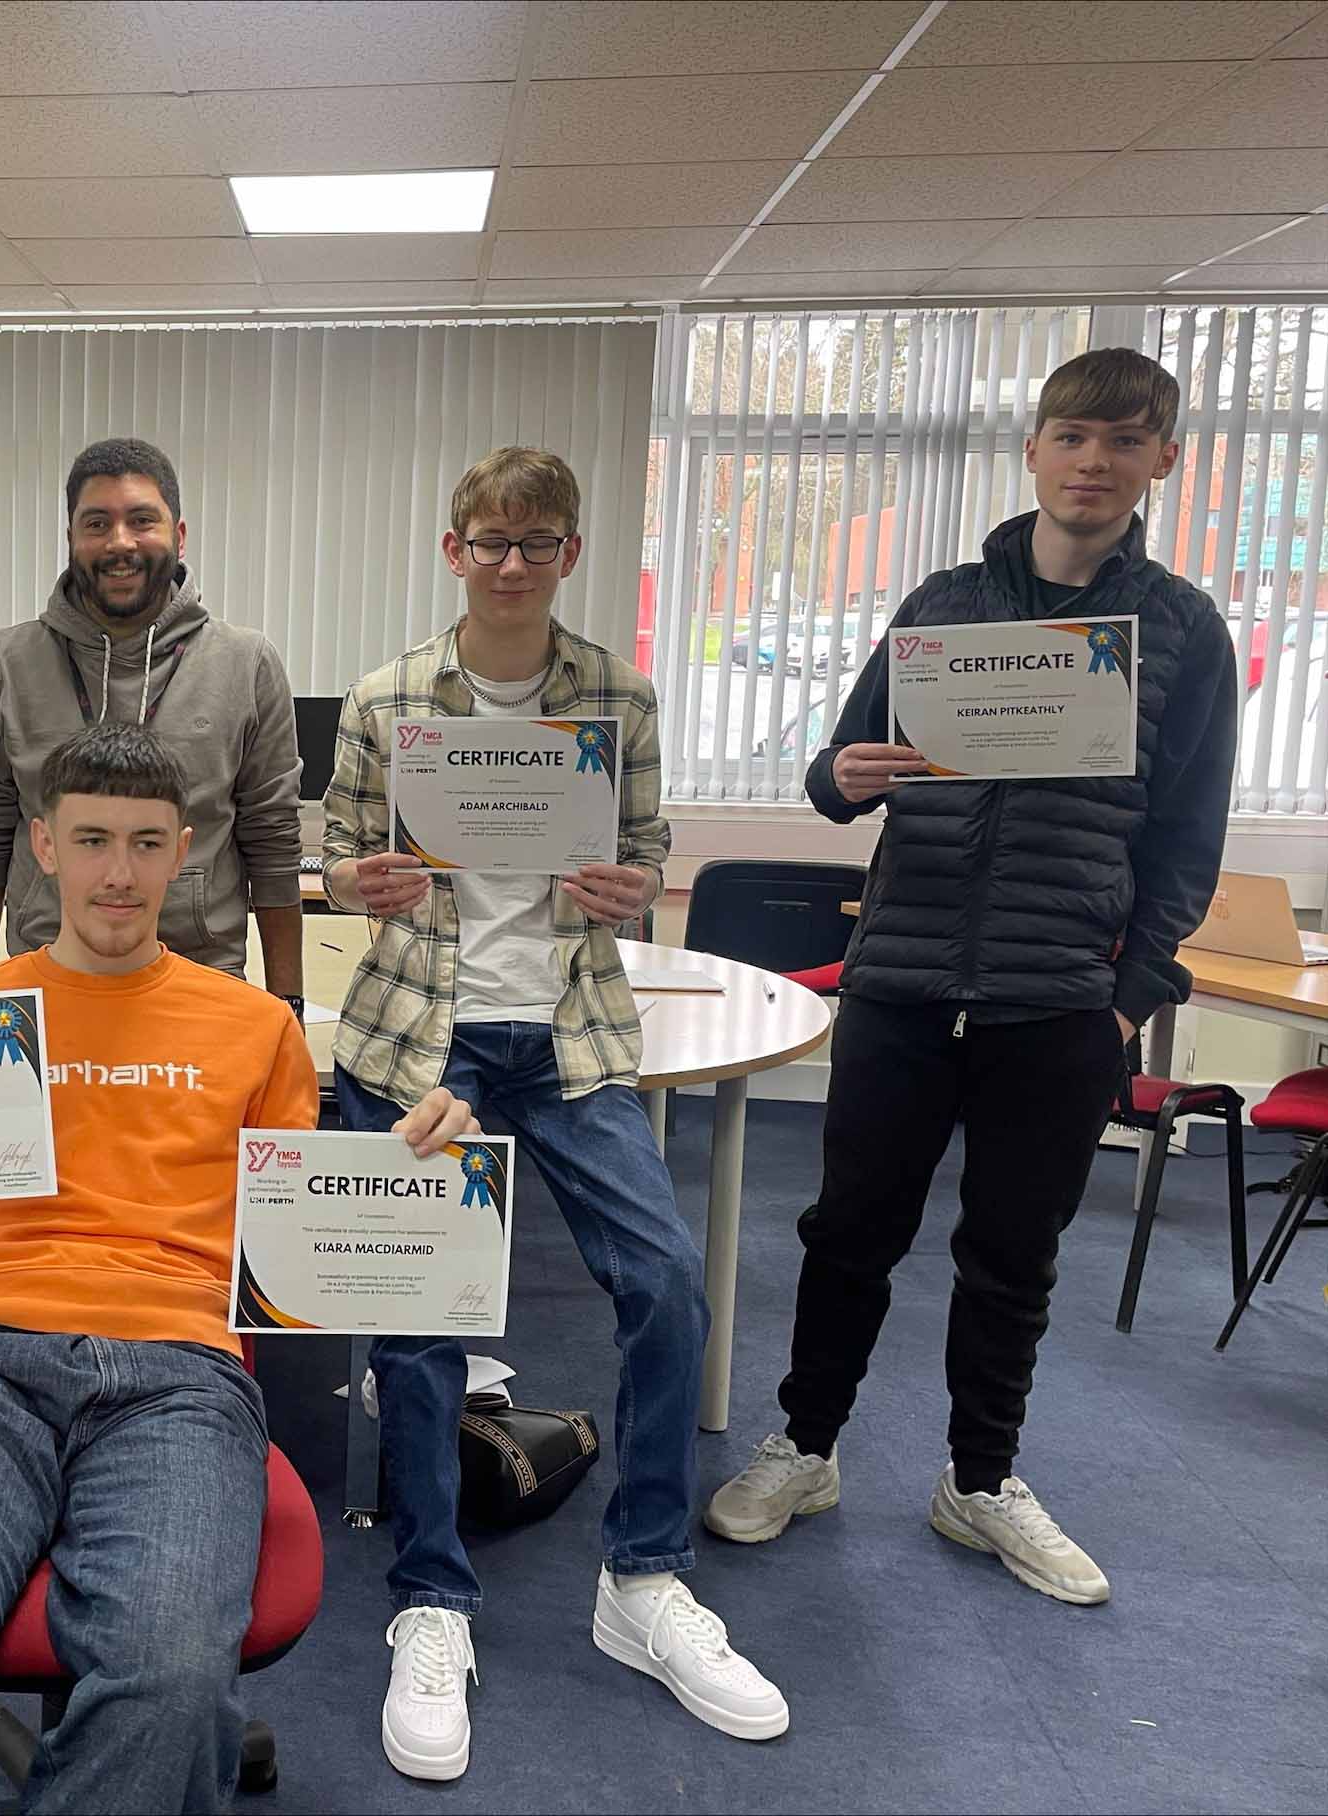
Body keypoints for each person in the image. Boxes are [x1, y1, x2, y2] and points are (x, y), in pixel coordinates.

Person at [0, 724, 473, 1813]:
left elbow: (297, 1250)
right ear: (42, 845)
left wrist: (424, 1181)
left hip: (177, 1375)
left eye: (143, 842)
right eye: (89, 840)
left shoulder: (257, 1029)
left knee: (168, 1674)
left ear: (185, 853)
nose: (116, 873)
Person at [706, 348, 1238, 1605]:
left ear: (1160, 460)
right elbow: (835, 767)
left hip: (1057, 999)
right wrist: (835, 778)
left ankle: (977, 1479)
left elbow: (1185, 840)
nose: (1091, 462)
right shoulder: (942, 602)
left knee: (1011, 1254)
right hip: (900, 982)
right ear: (1032, 449)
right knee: (847, 1235)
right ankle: (807, 1445)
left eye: (1121, 440)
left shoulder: (1178, 632)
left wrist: (1126, 996)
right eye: (1070, 436)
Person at [323, 447, 788, 1773]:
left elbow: (646, 860)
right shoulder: (389, 698)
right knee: (418, 1324)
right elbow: (336, 858)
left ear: (570, 555)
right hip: (423, 1040)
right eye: (490, 540)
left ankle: (642, 1579)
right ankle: (429, 1596)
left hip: (573, 1041)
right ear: (453, 547)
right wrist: (362, 882)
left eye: (537, 542)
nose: (512, 561)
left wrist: (633, 893)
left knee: (669, 1289)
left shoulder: (619, 697)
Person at [0, 436, 305, 1010]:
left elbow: (272, 839)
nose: (120, 543)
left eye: (142, 520)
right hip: (43, 984)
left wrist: (288, 998)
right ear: (71, 539)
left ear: (179, 534)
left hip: (201, 977)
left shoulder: (246, 663)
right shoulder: (5, 664)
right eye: (97, 524)